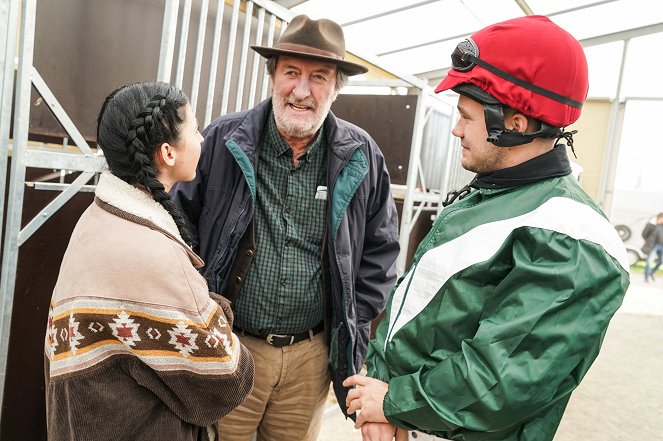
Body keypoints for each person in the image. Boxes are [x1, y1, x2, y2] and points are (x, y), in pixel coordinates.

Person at [343, 15, 630, 441]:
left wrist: (392, 402)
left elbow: (501, 378)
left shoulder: (572, 238)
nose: (456, 129)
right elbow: (420, 307)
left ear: (514, 123)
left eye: (465, 116)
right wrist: (383, 399)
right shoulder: (491, 193)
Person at [171, 14, 400, 441]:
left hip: (309, 359)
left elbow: (381, 252)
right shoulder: (223, 141)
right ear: (273, 75)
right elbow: (177, 229)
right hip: (231, 349)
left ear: (336, 87)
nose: (301, 90)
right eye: (291, 72)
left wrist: (354, 321)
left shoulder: (362, 156)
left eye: (319, 77)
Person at [44, 81, 255, 441]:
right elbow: (229, 379)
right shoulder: (152, 252)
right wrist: (215, 310)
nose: (203, 139)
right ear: (168, 154)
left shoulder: (96, 218)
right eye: (194, 129)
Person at [642, 212, 663, 282]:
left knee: (660, 261)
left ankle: (651, 273)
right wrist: (649, 241)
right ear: (658, 218)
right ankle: (647, 277)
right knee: (649, 261)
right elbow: (644, 234)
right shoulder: (652, 225)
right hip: (653, 246)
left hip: (661, 246)